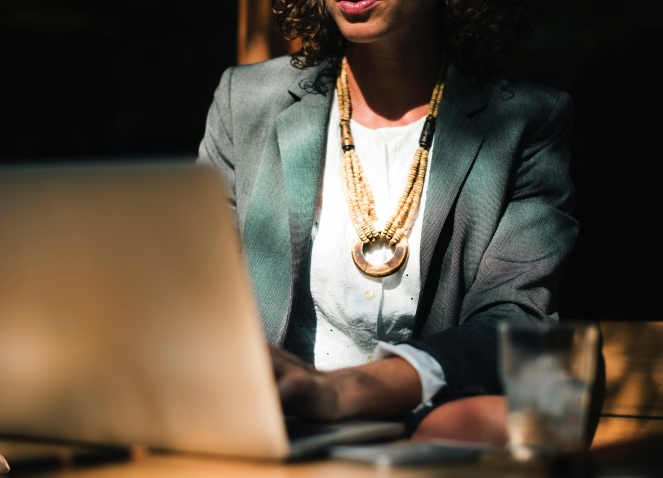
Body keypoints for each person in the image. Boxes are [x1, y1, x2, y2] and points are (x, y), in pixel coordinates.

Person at [197, 0, 576, 443]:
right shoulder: (244, 101)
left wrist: (347, 390)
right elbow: (201, 295)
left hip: (431, 435)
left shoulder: (527, 120)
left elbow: (516, 322)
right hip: (267, 432)